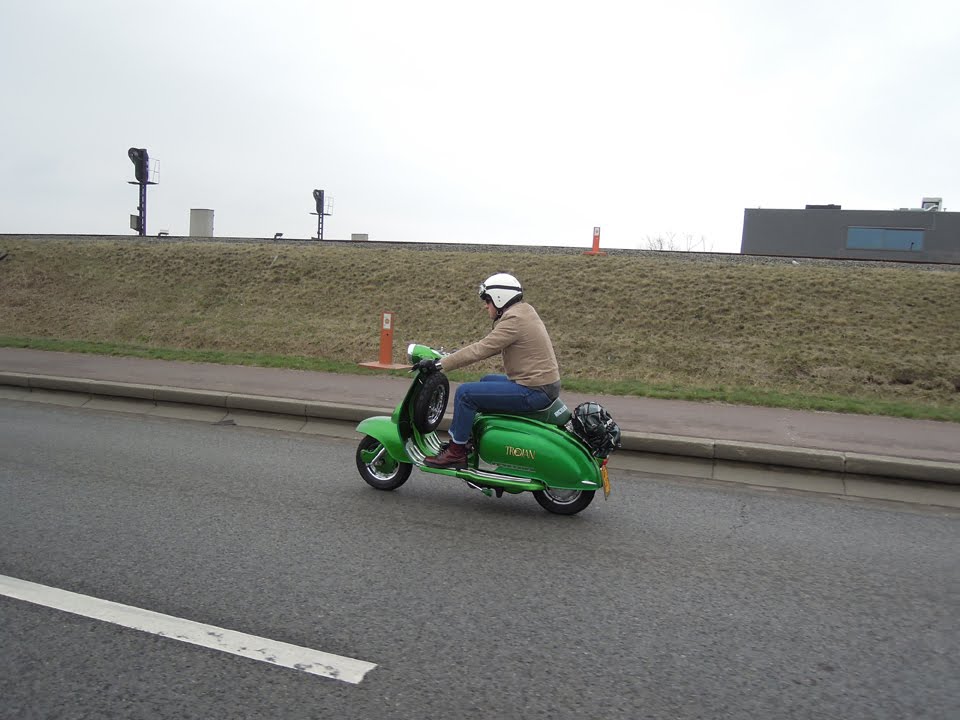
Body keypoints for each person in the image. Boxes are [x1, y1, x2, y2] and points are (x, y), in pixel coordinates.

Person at [414, 272, 561, 469]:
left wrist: (439, 364)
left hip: (535, 391)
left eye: (487, 300)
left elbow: (481, 349)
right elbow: (489, 346)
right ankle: (468, 440)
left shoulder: (514, 321)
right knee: (485, 381)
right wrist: (451, 356)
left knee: (465, 394)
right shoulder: (524, 311)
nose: (485, 306)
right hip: (543, 385)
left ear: (500, 299)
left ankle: (457, 452)